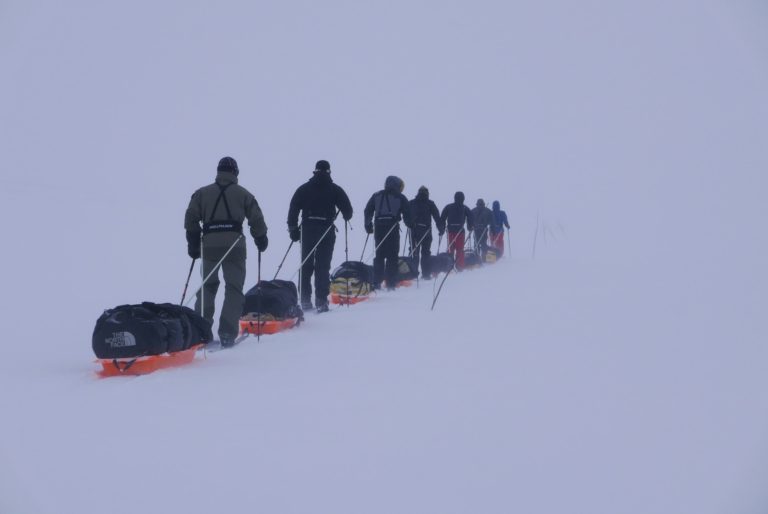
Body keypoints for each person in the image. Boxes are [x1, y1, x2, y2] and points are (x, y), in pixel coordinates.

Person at [184, 156, 268, 347]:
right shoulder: (244, 194)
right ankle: (227, 333)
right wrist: (260, 239)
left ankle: (200, 332)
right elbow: (256, 218)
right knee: (234, 289)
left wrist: (193, 243)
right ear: (235, 172)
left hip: (209, 245)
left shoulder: (201, 193)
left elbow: (190, 218)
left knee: (207, 286)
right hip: (235, 246)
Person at [287, 160, 353, 313]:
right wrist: (344, 214)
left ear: (315, 171)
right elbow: (348, 212)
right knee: (322, 266)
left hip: (307, 229)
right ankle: (321, 300)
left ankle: (305, 299)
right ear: (329, 171)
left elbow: (293, 208)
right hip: (326, 230)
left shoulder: (303, 189)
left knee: (306, 264)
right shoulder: (335, 189)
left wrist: (293, 229)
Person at [364, 176, 413, 290]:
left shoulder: (376, 195)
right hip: (392, 228)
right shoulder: (400, 197)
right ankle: (391, 283)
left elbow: (368, 210)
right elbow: (407, 213)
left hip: (379, 228)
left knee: (379, 255)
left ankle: (377, 282)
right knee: (392, 256)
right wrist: (410, 224)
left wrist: (368, 224)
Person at [408, 186, 444, 279]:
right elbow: (437, 217)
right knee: (426, 253)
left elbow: (405, 214)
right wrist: (441, 229)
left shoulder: (411, 203)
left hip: (414, 231)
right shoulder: (430, 203)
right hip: (426, 232)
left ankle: (413, 273)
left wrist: (408, 223)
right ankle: (426, 274)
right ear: (427, 194)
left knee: (414, 253)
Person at [439, 192, 473, 270]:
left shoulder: (448, 207)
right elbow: (470, 217)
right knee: (460, 249)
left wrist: (442, 228)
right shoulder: (465, 208)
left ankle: (449, 266)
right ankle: (460, 266)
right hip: (460, 231)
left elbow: (442, 218)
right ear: (463, 199)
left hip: (450, 231)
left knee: (451, 249)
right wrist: (470, 227)